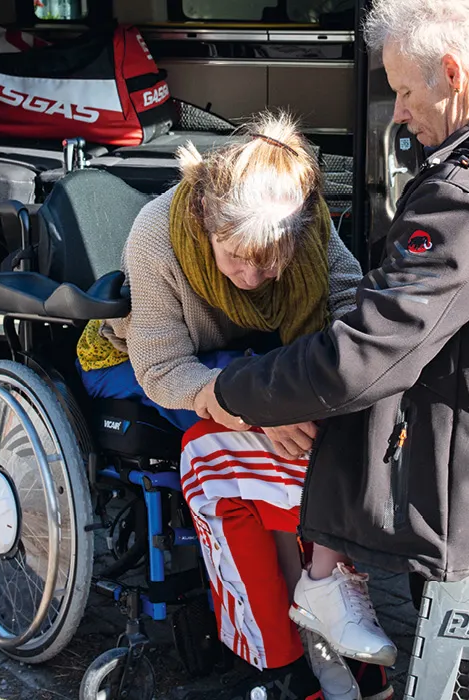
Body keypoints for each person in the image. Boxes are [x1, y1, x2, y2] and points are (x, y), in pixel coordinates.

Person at [195, 0, 469, 604]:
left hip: (456, 511)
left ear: (452, 73)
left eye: (401, 90)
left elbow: (361, 361)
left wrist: (233, 392)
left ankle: (301, 637)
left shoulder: (464, 202)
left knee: (213, 453)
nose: (397, 113)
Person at [75, 111, 395, 700]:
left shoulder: (308, 221)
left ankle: (314, 616)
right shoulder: (157, 234)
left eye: (271, 260)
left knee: (313, 431)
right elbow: (164, 370)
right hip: (138, 369)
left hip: (247, 363)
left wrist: (336, 378)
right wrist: (259, 408)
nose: (254, 275)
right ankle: (294, 650)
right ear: (206, 221)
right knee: (243, 449)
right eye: (236, 258)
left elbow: (348, 300)